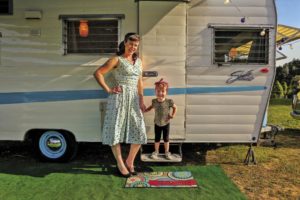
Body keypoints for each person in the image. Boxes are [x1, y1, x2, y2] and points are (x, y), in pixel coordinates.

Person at [94, 33, 147, 177]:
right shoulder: (116, 59)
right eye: (131, 44)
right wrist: (109, 89)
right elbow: (98, 73)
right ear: (125, 43)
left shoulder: (139, 62)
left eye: (135, 45)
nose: (133, 47)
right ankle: (120, 163)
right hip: (119, 98)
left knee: (139, 130)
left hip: (134, 99)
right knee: (115, 130)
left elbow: (140, 82)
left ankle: (130, 161)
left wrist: (141, 100)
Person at [145, 78, 177, 160]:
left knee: (166, 138)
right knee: (157, 138)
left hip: (166, 123)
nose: (160, 93)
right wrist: (145, 110)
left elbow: (175, 108)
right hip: (157, 123)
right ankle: (156, 152)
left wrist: (173, 115)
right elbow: (151, 107)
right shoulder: (154, 101)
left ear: (166, 92)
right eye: (158, 91)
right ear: (155, 91)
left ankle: (167, 152)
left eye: (163, 91)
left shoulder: (169, 101)